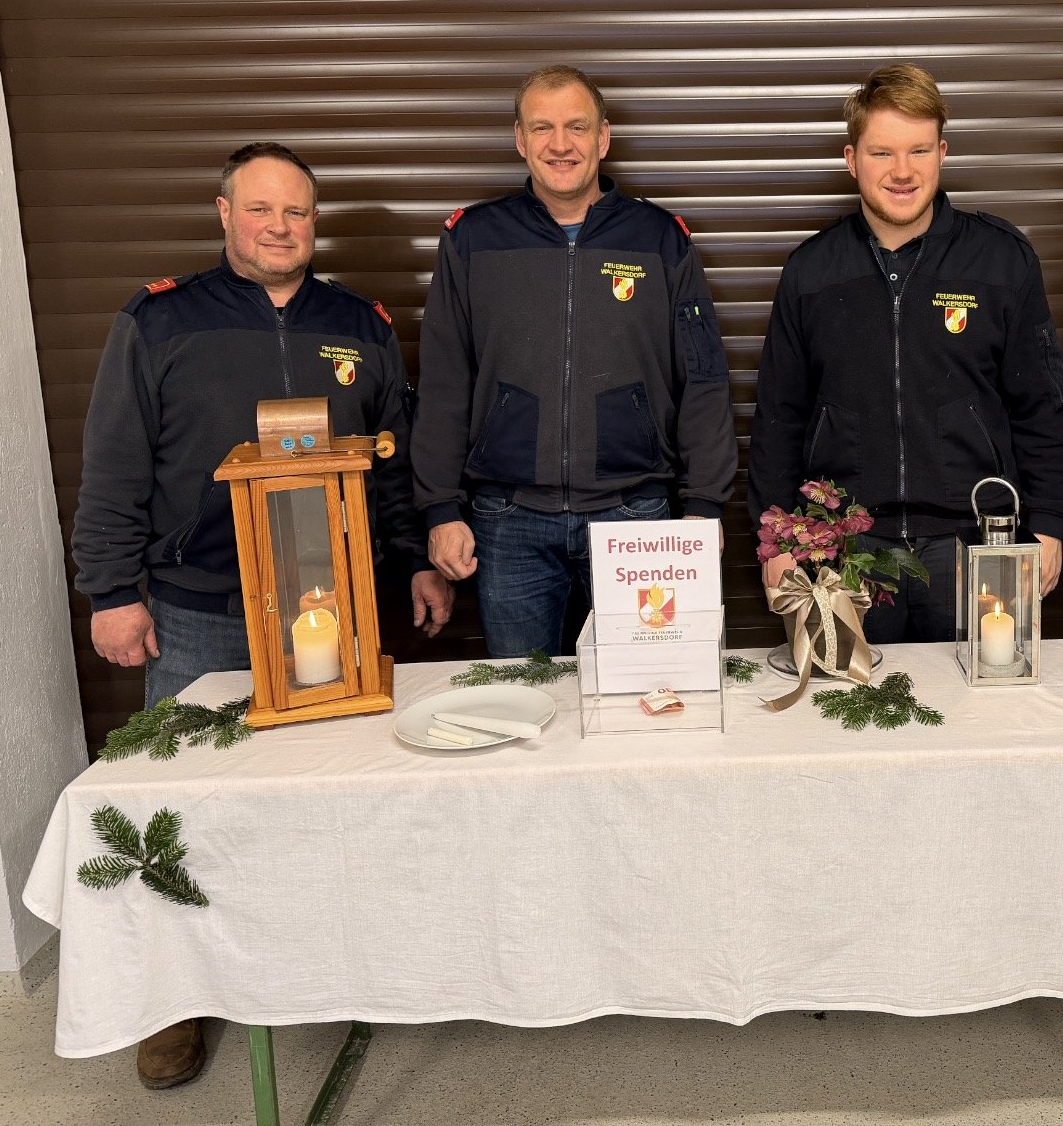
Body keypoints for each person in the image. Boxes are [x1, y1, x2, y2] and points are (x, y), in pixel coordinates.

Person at [72, 141, 453, 1090]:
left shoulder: (358, 323)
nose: (280, 228)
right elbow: (114, 462)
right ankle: (173, 1001)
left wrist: (415, 562)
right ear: (224, 213)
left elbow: (393, 463)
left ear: (314, 222)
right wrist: (111, 590)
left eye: (297, 212)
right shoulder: (160, 320)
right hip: (199, 609)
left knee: (332, 799)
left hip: (335, 609)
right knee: (183, 804)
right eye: (260, 209)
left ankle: (329, 965)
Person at [747, 61, 1063, 641]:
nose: (902, 171)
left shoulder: (1001, 261)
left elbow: (1042, 407)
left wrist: (1048, 526)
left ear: (942, 153)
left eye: (918, 151)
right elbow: (780, 416)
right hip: (844, 550)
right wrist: (776, 541)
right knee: (851, 696)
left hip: (977, 544)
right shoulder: (811, 271)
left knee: (981, 696)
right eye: (882, 153)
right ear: (851, 160)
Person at [412, 64, 738, 656]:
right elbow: (442, 382)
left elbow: (704, 379)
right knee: (521, 692)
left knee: (646, 688)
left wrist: (704, 504)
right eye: (543, 128)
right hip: (507, 520)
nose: (560, 144)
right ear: (520, 139)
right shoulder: (473, 239)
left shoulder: (660, 239)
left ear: (603, 137)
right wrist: (439, 508)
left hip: (636, 516)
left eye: (577, 127)